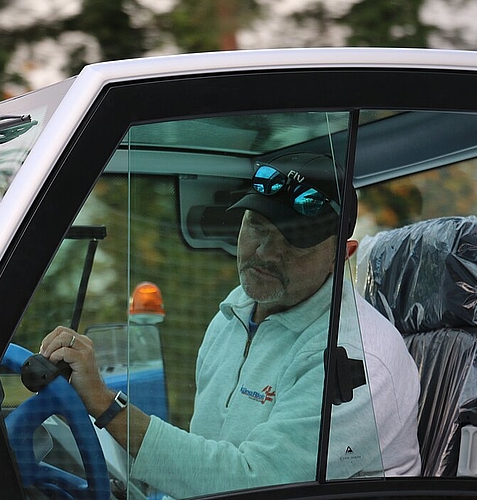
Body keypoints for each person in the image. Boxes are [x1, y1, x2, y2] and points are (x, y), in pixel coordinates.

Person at [40, 152, 422, 498]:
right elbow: (207, 452)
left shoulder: (357, 358)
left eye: (295, 239)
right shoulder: (235, 312)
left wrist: (108, 407)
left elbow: (254, 484)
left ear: (343, 255)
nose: (265, 251)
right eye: (257, 225)